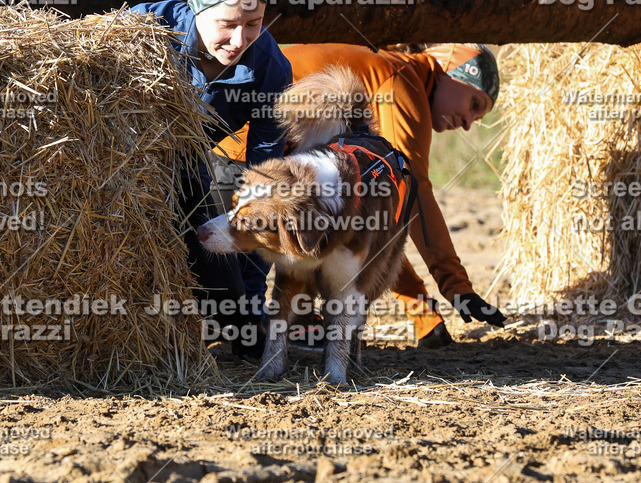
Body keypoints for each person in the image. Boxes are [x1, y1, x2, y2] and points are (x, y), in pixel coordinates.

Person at [215, 42, 505, 349]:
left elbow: (369, 226)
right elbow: (413, 192)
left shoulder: (381, 69)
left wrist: (423, 312)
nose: (468, 123)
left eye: (479, 118)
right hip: (248, 155)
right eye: (474, 104)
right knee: (258, 264)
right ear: (447, 69)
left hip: (233, 148)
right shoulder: (402, 79)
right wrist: (457, 287)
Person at [131, 0, 291, 356]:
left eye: (254, 23)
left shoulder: (270, 66)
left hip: (191, 166)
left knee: (243, 329)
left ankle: (235, 322)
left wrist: (252, 298)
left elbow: (264, 184)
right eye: (226, 24)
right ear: (197, 6)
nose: (239, 40)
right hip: (125, 163)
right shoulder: (145, 28)